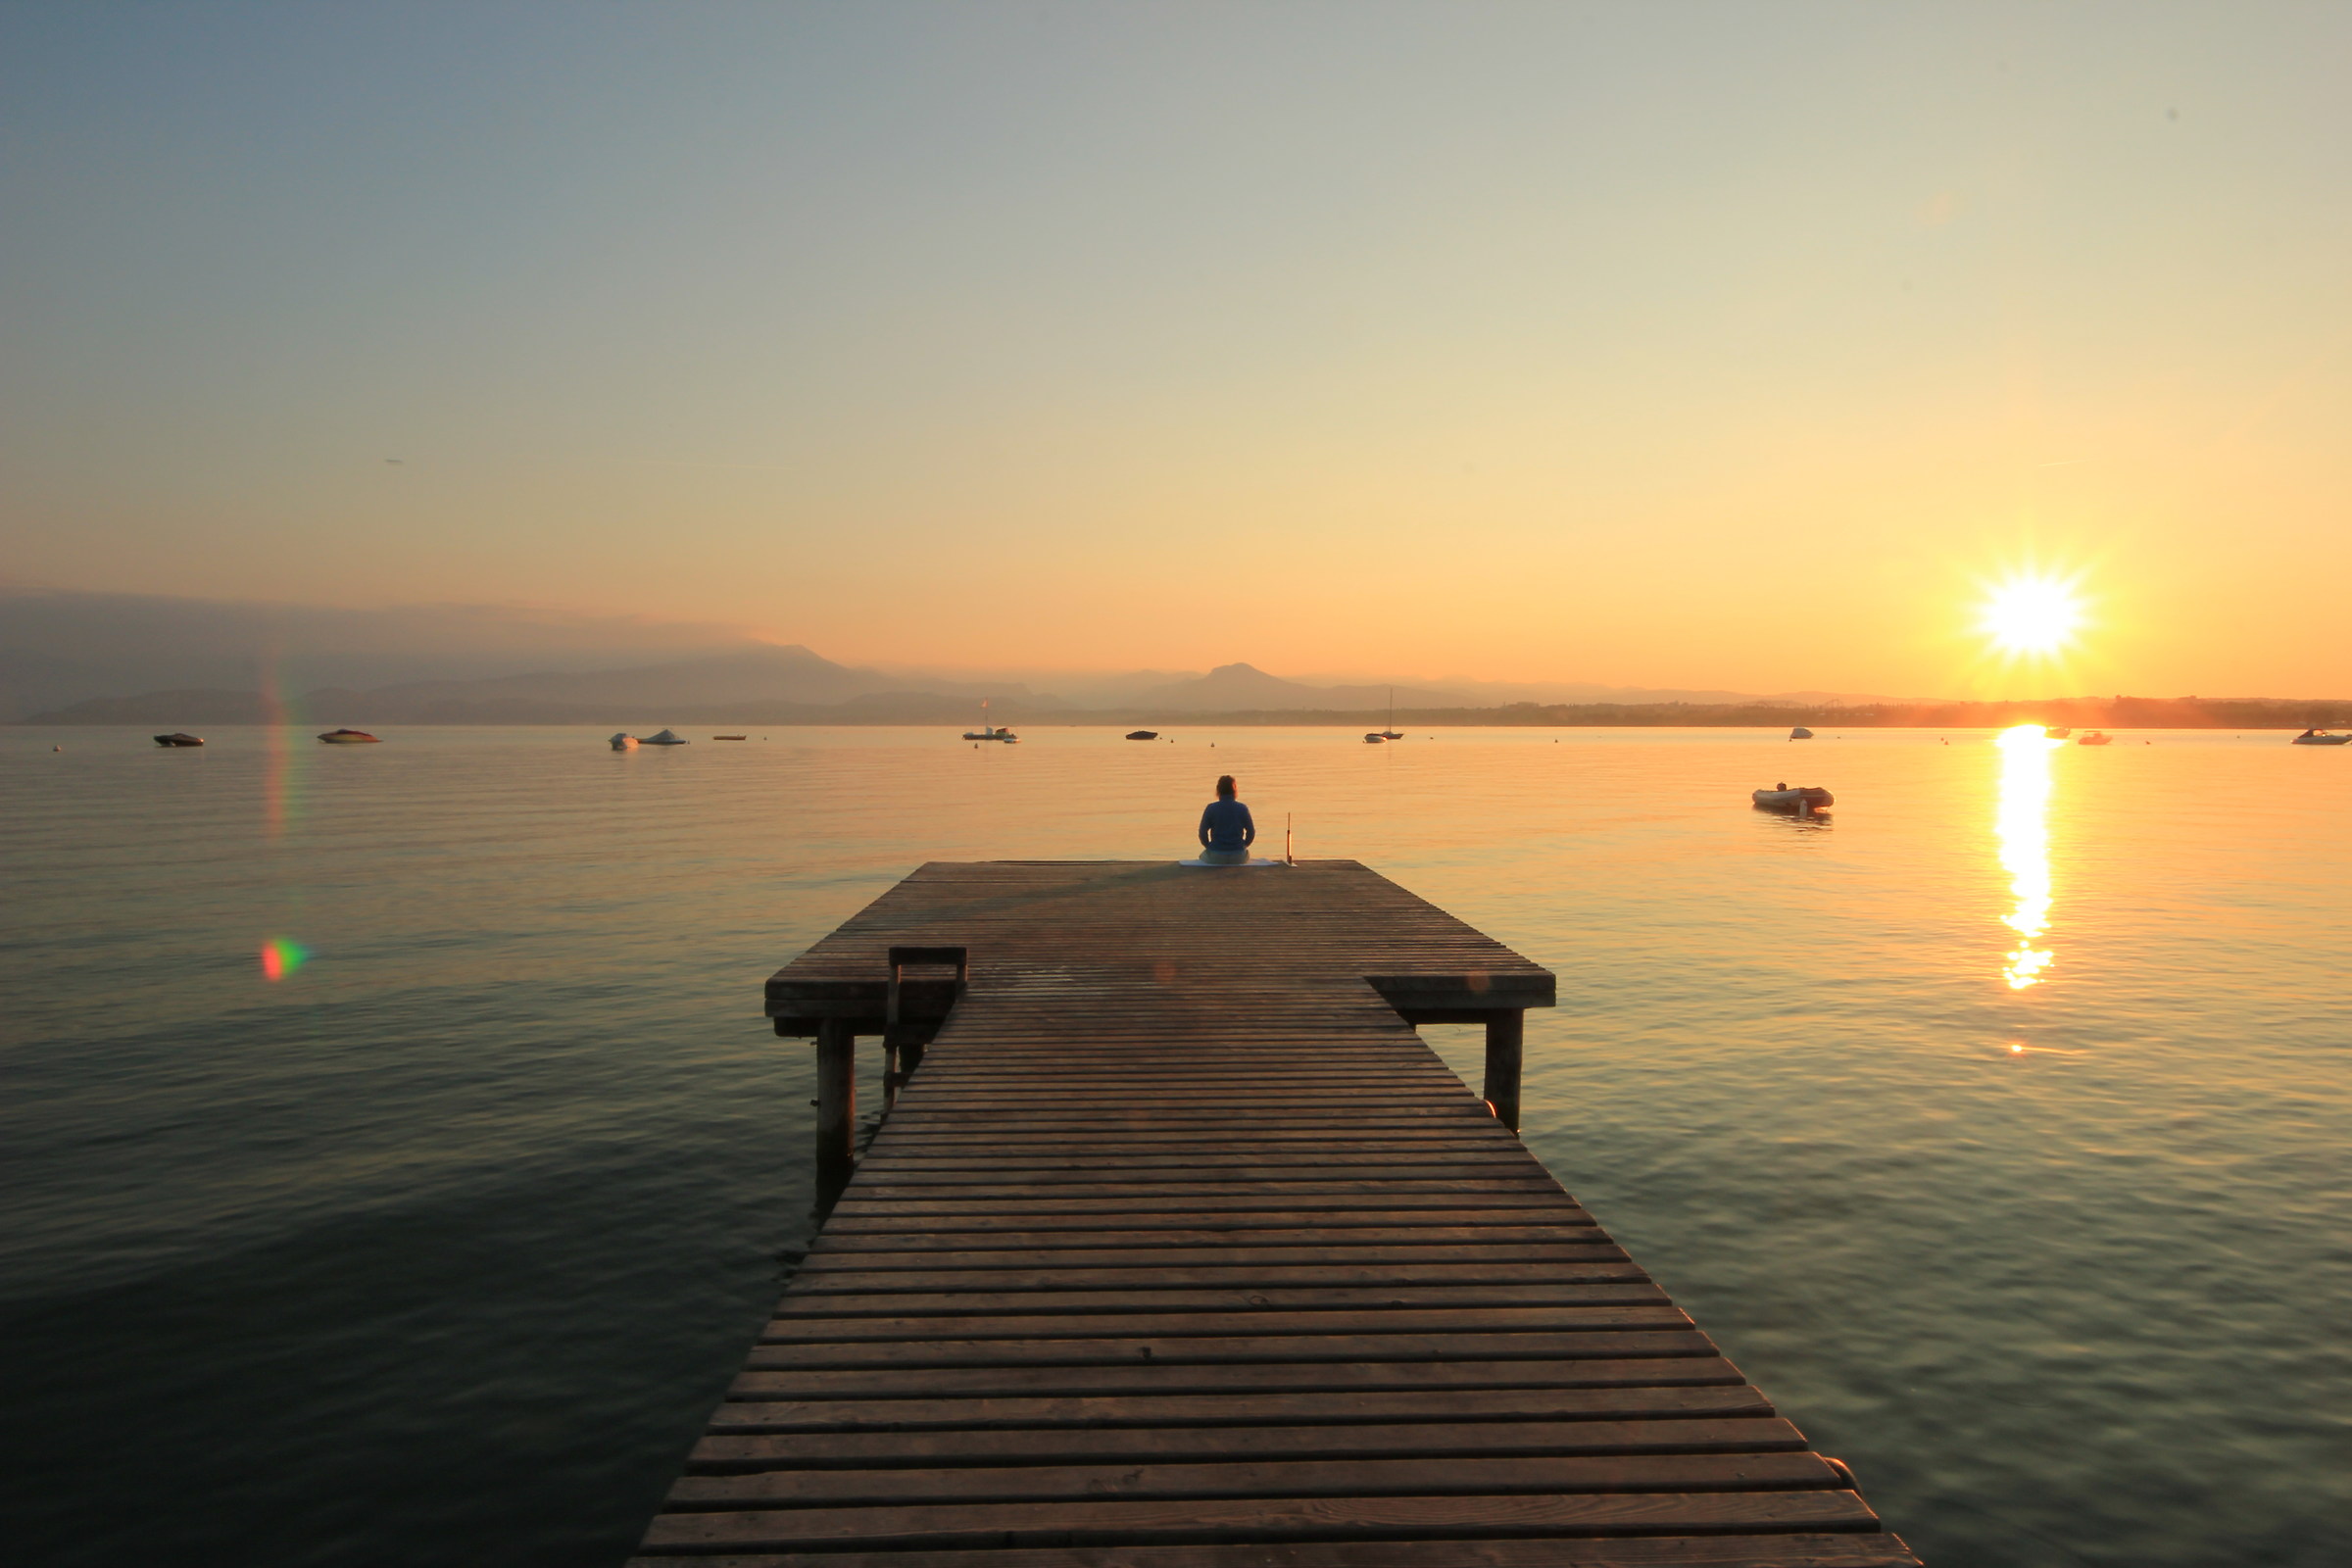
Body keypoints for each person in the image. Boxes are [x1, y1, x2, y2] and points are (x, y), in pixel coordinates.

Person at [1197, 774, 1255, 865]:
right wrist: (1243, 845)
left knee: (1202, 856)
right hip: (1238, 856)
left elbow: (1202, 832)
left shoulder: (1211, 808)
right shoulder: (1242, 808)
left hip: (1216, 855)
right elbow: (1251, 832)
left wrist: (1209, 846)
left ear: (1218, 790)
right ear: (1234, 790)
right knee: (1247, 854)